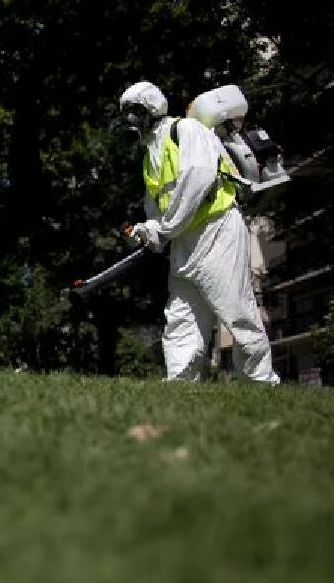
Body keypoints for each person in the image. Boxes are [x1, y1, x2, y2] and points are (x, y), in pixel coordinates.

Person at [118, 80, 279, 384]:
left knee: (236, 309)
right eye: (126, 113)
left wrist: (164, 229)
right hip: (183, 241)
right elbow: (157, 206)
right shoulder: (148, 155)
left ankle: (260, 381)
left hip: (216, 229)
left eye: (135, 111)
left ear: (153, 108)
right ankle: (181, 381)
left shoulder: (186, 131)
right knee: (181, 316)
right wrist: (149, 228)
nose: (130, 119)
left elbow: (198, 179)